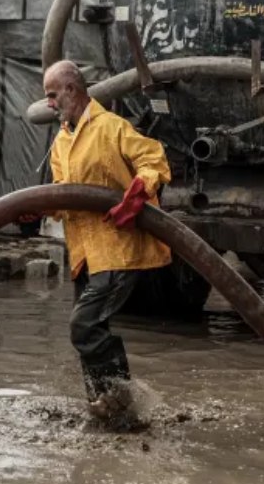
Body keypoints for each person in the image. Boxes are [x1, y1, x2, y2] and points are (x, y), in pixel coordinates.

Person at [42, 60, 172, 422]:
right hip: (84, 255)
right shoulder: (61, 143)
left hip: (117, 249)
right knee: (89, 332)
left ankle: (120, 399)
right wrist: (37, 207)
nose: (49, 104)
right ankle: (107, 411)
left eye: (53, 95)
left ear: (71, 89)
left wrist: (136, 195)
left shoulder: (111, 127)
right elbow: (63, 197)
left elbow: (155, 160)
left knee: (83, 326)